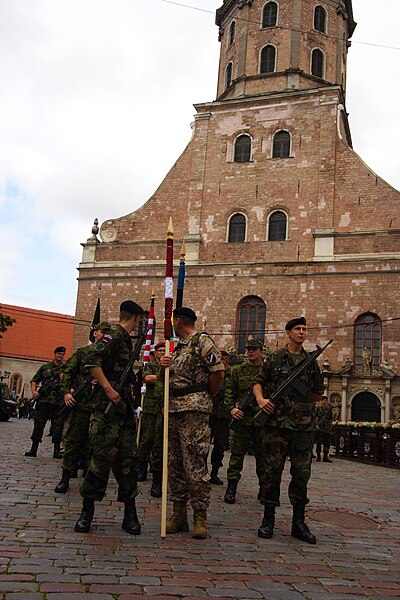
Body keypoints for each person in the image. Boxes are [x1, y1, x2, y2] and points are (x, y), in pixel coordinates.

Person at [74, 300, 144, 535]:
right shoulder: (113, 335)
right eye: (139, 319)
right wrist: (107, 388)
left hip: (123, 410)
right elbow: (92, 361)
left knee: (128, 462)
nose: (140, 323)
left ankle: (130, 514)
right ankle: (87, 512)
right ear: (134, 318)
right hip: (106, 410)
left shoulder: (126, 339)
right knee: (100, 460)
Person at [253, 317, 323, 544]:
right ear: (288, 333)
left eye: (304, 329)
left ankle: (298, 523)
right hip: (277, 425)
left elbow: (317, 393)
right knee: (272, 472)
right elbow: (258, 382)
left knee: (302, 474)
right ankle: (268, 519)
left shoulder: (311, 362)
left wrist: (299, 403)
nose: (302, 332)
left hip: (303, 428)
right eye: (297, 329)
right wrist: (261, 400)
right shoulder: (275, 358)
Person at [160, 307, 225, 539]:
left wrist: (206, 394)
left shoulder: (201, 341)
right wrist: (163, 364)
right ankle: (179, 514)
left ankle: (200, 514)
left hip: (194, 410)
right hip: (173, 409)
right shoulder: (178, 347)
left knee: (195, 462)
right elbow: (168, 378)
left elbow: (218, 371)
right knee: (174, 462)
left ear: (178, 321)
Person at [54, 322, 112, 494]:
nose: (105, 336)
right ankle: (65, 478)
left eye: (108, 334)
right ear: (95, 333)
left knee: (93, 445)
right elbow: (66, 372)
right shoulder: (82, 353)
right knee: (72, 441)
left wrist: (102, 383)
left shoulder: (109, 357)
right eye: (102, 333)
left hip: (99, 406)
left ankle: (89, 480)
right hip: (80, 405)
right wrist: (67, 393)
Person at [223, 338, 265, 503]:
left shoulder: (267, 371)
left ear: (261, 351)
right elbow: (229, 393)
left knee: (263, 457)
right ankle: (231, 486)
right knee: (236, 456)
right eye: (248, 349)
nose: (250, 352)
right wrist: (232, 409)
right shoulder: (238, 371)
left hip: (262, 421)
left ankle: (264, 488)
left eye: (254, 349)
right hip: (242, 420)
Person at [25, 346, 67, 458]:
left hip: (58, 402)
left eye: (62, 354)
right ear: (54, 354)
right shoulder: (45, 367)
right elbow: (34, 380)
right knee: (39, 424)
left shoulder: (66, 368)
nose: (60, 356)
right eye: (58, 354)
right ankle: (33, 449)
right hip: (44, 401)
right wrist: (34, 392)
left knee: (58, 426)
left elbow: (68, 382)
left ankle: (57, 451)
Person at [137, 341, 166, 498]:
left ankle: (157, 479)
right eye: (159, 351)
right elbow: (147, 378)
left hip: (164, 410)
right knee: (146, 440)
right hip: (150, 408)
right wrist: (163, 377)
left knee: (159, 444)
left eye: (164, 351)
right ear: (155, 354)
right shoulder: (151, 366)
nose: (162, 353)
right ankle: (141, 467)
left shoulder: (171, 368)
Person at [208, 349, 231, 485]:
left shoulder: (231, 375)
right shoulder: (211, 373)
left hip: (224, 414)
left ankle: (215, 472)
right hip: (210, 412)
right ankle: (202, 470)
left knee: (220, 445)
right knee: (204, 443)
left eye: (223, 358)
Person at [314, 395, 333, 463]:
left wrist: (330, 427)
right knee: (319, 442)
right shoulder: (319, 408)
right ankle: (318, 455)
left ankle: (325, 455)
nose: (325, 402)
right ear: (321, 401)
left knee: (327, 442)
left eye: (326, 400)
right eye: (324, 400)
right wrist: (316, 425)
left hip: (327, 427)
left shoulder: (329, 408)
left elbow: (330, 418)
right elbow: (316, 417)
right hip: (320, 427)